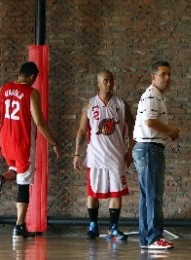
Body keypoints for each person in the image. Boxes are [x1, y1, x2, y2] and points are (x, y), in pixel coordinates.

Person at [0, 61, 61, 239]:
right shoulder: (31, 93)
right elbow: (39, 122)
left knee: (15, 170)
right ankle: (19, 226)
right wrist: (54, 142)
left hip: (5, 143)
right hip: (23, 144)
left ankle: (0, 178)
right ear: (31, 77)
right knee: (23, 184)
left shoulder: (3, 89)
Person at [73, 70, 135, 241]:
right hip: (95, 157)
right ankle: (93, 226)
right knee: (92, 193)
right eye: (105, 81)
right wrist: (77, 153)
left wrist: (130, 150)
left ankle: (113, 228)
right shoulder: (90, 105)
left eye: (111, 80)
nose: (109, 83)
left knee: (116, 193)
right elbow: (81, 130)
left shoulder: (121, 104)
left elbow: (133, 126)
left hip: (116, 156)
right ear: (98, 84)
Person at [132, 61, 179, 250]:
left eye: (169, 74)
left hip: (147, 149)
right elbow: (150, 122)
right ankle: (153, 237)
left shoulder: (155, 96)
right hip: (150, 149)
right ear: (153, 77)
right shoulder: (152, 96)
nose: (167, 78)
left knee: (147, 196)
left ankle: (147, 238)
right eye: (163, 74)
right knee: (153, 196)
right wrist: (170, 130)